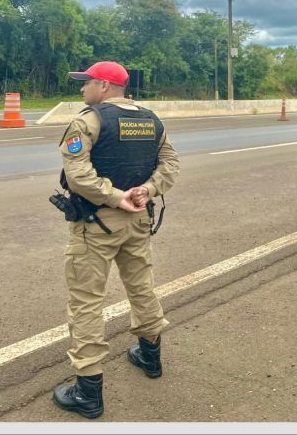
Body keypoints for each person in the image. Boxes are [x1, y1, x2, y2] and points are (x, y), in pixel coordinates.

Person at [51, 61, 180, 419]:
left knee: (86, 301)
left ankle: (88, 392)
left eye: (87, 83)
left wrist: (113, 196)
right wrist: (147, 190)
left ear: (105, 86)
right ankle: (150, 356)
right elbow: (170, 164)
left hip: (97, 223)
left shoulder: (88, 120)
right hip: (138, 216)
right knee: (142, 286)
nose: (82, 89)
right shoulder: (152, 120)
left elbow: (78, 175)